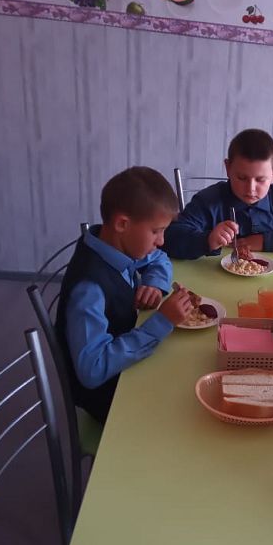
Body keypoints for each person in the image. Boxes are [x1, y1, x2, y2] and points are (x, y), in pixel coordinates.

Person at [56, 167, 194, 424]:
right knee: (189, 405)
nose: (162, 241)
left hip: (129, 362)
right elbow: (92, 369)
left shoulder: (110, 242)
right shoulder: (89, 288)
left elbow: (160, 258)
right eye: (156, 231)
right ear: (122, 224)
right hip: (111, 397)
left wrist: (154, 284)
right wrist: (162, 322)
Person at [163, 128, 273, 259]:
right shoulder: (208, 200)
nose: (250, 189)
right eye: (242, 178)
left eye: (260, 179)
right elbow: (169, 239)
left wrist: (263, 241)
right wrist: (207, 240)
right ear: (228, 168)